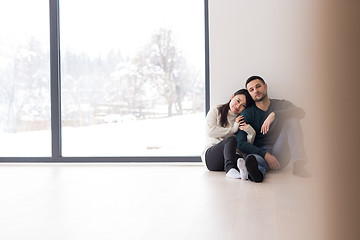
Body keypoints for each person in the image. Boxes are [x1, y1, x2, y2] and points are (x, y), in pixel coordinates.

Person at [236, 76, 310, 183]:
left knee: (292, 119)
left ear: (265, 86)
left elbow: (301, 112)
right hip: (259, 154)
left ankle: (299, 165)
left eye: (258, 86)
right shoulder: (247, 113)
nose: (256, 91)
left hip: (279, 153)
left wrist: (275, 114)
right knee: (254, 160)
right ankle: (256, 174)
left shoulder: (281, 105)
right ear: (249, 94)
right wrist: (265, 154)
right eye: (251, 90)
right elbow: (241, 143)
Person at [201, 89, 256, 179]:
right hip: (211, 158)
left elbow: (244, 146)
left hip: (230, 158)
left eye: (243, 105)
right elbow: (210, 132)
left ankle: (246, 172)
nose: (238, 106)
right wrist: (233, 129)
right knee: (231, 139)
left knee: (239, 158)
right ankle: (230, 169)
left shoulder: (241, 119)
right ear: (232, 97)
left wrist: (251, 132)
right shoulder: (216, 110)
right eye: (238, 101)